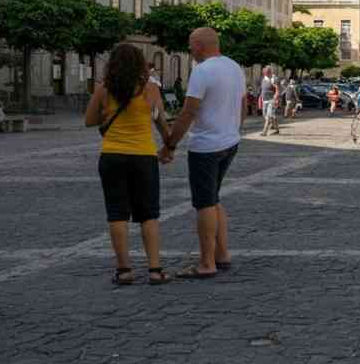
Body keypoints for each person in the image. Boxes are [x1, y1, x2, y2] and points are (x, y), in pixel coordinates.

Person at [160, 27, 245, 279]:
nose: (189, 50)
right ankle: (222, 254)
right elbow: (242, 106)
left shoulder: (202, 71)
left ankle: (207, 263)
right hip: (229, 142)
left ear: (199, 45)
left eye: (190, 45)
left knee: (205, 203)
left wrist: (170, 145)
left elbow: (188, 112)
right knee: (214, 198)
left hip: (206, 146)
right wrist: (232, 129)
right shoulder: (234, 66)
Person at [84, 43, 172, 285]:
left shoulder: (104, 89)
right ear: (139, 64)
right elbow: (161, 122)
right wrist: (169, 146)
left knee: (117, 214)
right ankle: (155, 270)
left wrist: (109, 114)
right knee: (148, 214)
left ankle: (124, 271)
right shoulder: (150, 89)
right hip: (143, 157)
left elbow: (89, 120)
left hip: (112, 156)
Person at [259, 67, 279, 137]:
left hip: (271, 100)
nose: (266, 73)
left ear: (270, 72)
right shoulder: (263, 79)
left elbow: (277, 89)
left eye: (267, 71)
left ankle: (264, 132)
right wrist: (260, 98)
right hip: (264, 100)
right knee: (265, 115)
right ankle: (276, 129)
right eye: (265, 72)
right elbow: (262, 90)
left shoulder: (273, 79)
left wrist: (276, 97)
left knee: (268, 116)